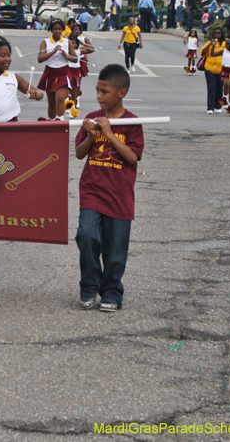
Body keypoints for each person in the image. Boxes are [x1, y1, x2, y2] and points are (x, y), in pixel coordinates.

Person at [74, 64, 144, 312]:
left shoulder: (133, 122)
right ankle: (89, 286)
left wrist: (110, 133)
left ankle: (112, 291)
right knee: (87, 235)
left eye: (104, 91)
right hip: (92, 192)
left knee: (115, 252)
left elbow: (132, 157)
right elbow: (79, 154)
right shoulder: (91, 119)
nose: (99, 96)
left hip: (120, 196)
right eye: (97, 90)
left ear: (121, 93)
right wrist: (91, 135)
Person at [36, 19, 76, 120]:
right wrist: (52, 52)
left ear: (62, 30)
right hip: (50, 73)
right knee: (51, 102)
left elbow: (75, 59)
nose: (57, 31)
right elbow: (40, 59)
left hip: (64, 72)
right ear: (51, 30)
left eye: (59, 29)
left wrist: (66, 55)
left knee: (60, 98)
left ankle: (60, 121)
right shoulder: (45, 42)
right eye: (55, 29)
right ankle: (52, 123)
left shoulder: (67, 42)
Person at [200, 26, 226, 114]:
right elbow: (203, 53)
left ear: (222, 34)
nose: (217, 34)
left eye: (219, 33)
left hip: (221, 69)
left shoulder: (225, 44)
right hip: (209, 69)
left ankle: (218, 106)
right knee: (211, 88)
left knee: (219, 88)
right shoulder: (208, 43)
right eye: (215, 33)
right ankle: (210, 107)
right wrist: (211, 44)